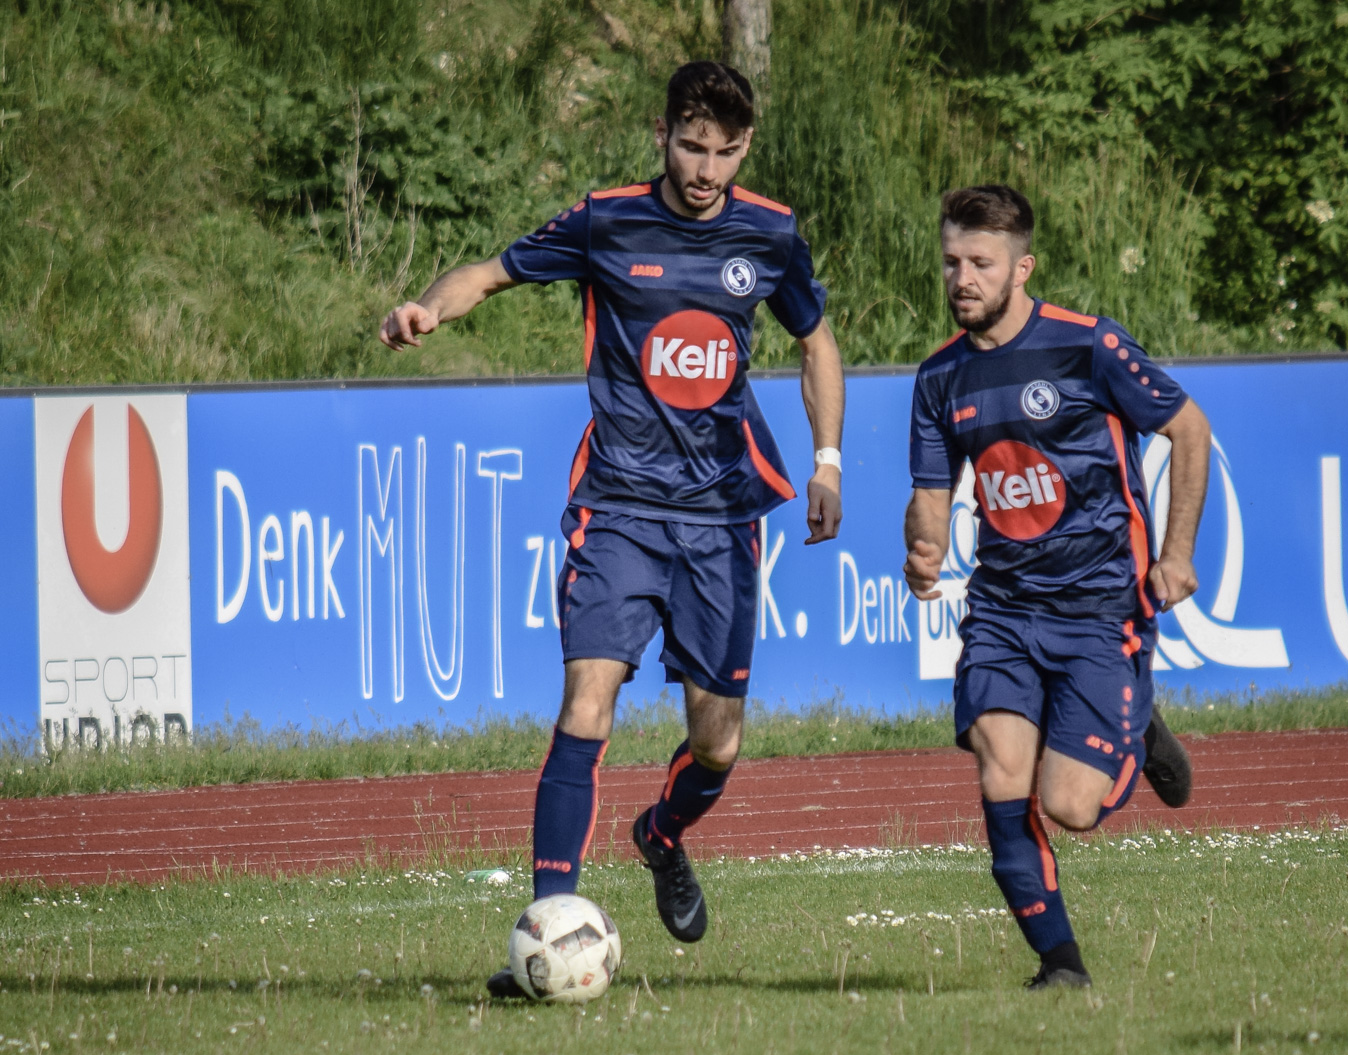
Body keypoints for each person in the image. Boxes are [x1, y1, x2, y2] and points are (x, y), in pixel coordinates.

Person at [378, 61, 846, 997]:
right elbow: (488, 273)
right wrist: (429, 305)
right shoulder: (607, 221)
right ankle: (547, 928)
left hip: (721, 517)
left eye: (725, 152)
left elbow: (816, 342)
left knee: (717, 744)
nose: (706, 169)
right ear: (661, 134)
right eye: (691, 146)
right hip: (619, 507)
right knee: (587, 703)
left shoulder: (771, 232)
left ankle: (661, 835)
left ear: (745, 147)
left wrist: (827, 461)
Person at [903, 185, 1203, 990]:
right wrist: (922, 549)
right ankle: (1061, 966)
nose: (962, 278)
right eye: (952, 262)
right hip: (1003, 611)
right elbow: (930, 495)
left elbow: (1188, 428)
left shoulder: (1088, 345)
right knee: (1001, 773)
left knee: (1071, 806)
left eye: (980, 263)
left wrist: (1176, 553)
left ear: (1022, 268)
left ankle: (1139, 731)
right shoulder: (939, 377)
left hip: (1102, 608)